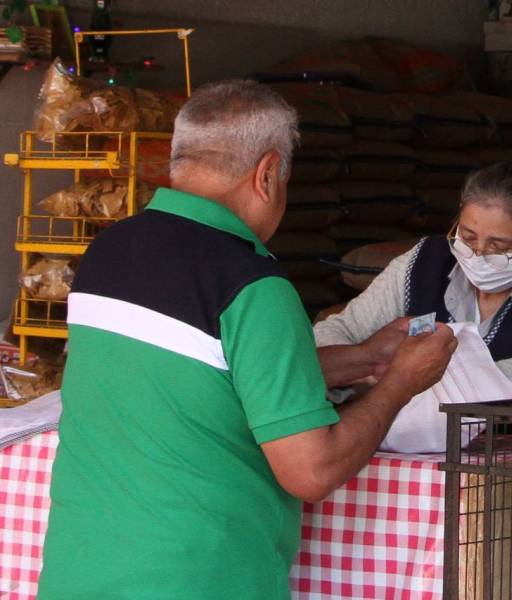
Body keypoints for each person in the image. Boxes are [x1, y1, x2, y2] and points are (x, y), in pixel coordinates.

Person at [38, 80, 457, 600]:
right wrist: (400, 382)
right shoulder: (251, 283)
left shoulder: (109, 253)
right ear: (266, 175)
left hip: (80, 572)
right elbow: (312, 470)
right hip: (198, 579)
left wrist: (365, 357)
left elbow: (201, 376)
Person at [315, 162, 512, 396]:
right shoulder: (424, 263)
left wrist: (410, 377)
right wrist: (366, 363)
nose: (478, 254)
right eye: (468, 237)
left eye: (498, 246)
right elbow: (338, 332)